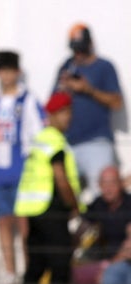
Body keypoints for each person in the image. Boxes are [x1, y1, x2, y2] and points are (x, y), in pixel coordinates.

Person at [0, 50, 46, 284]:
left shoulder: (28, 99)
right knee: (3, 221)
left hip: (21, 170)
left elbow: (38, 132)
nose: (6, 75)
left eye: (10, 70)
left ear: (17, 72)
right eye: (2, 70)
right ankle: (9, 271)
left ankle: (30, 272)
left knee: (24, 222)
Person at [15, 91, 81, 284]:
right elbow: (61, 179)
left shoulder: (40, 139)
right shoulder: (54, 141)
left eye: (69, 112)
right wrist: (75, 206)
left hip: (34, 212)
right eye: (64, 112)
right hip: (52, 210)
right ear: (53, 115)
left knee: (35, 266)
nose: (68, 118)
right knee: (60, 266)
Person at [53, 23, 123, 204]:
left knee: (102, 197)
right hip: (68, 143)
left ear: (91, 44)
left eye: (82, 48)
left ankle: (104, 233)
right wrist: (64, 90)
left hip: (96, 142)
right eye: (75, 49)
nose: (78, 54)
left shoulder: (104, 66)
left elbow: (117, 102)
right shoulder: (66, 67)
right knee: (63, 197)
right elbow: (52, 104)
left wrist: (88, 90)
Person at [73, 166, 131, 284]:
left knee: (114, 278)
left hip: (123, 263)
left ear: (121, 184)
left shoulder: (129, 205)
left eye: (112, 183)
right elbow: (81, 229)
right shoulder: (98, 205)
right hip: (103, 262)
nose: (108, 188)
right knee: (67, 276)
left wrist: (108, 267)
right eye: (104, 184)